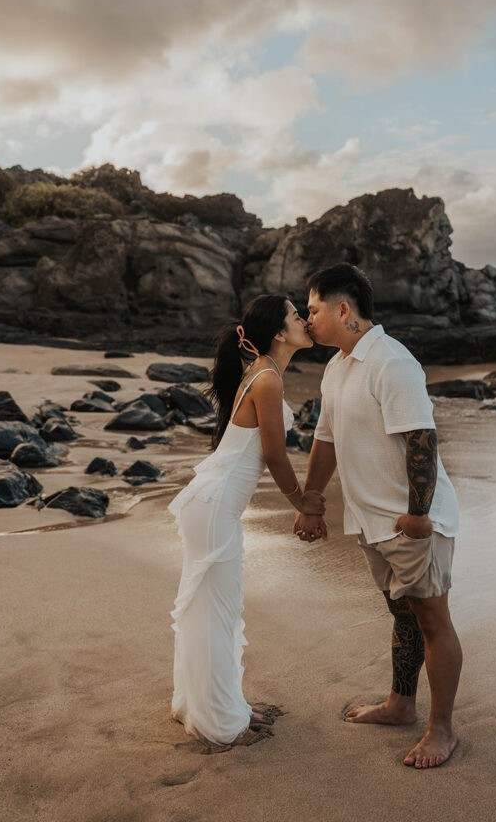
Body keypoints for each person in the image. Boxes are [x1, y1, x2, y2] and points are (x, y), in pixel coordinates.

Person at [295, 263, 462, 769]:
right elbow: (325, 438)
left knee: (433, 620)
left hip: (413, 522)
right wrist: (312, 499)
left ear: (343, 309)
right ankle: (401, 705)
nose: (308, 320)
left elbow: (422, 439)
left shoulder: (392, 362)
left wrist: (418, 514)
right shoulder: (338, 366)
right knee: (403, 613)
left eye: (314, 309)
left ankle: (442, 730)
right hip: (374, 522)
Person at [168, 294, 325, 747]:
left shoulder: (263, 372)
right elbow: (275, 456)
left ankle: (209, 705)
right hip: (214, 506)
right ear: (279, 332)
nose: (305, 322)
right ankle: (219, 723)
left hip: (212, 503)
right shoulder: (268, 380)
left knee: (212, 608)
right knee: (215, 611)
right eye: (298, 316)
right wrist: (304, 503)